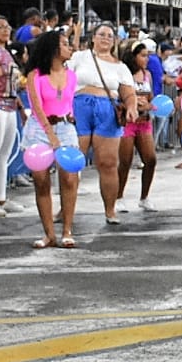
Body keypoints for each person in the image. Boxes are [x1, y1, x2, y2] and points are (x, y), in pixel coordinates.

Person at [71, 22, 138, 226]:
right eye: (101, 34)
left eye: (110, 35)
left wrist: (132, 107)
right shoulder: (79, 57)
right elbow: (63, 81)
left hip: (107, 111)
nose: (106, 38)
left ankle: (110, 210)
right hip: (79, 107)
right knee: (72, 162)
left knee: (108, 163)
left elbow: (128, 92)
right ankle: (65, 210)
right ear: (93, 38)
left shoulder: (120, 66)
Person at [21, 29, 79, 248]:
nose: (70, 47)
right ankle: (49, 233)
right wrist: (50, 134)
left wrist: (69, 124)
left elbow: (69, 102)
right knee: (41, 180)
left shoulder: (71, 75)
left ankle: (67, 229)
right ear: (54, 48)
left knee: (69, 178)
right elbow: (36, 107)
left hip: (65, 125)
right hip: (40, 128)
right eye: (65, 44)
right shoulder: (36, 75)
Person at [114, 40, 158, 214]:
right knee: (125, 161)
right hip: (128, 122)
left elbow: (152, 96)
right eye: (143, 55)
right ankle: (118, 197)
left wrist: (149, 105)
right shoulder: (123, 74)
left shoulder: (147, 74)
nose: (146, 59)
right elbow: (116, 97)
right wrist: (130, 105)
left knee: (151, 159)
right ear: (133, 57)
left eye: (147, 55)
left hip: (144, 121)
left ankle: (144, 197)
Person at [0, 15, 24, 217]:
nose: (6, 30)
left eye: (8, 26)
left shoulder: (8, 53)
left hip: (10, 105)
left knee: (4, 154)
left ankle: (0, 197)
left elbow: (13, 82)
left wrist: (19, 105)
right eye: (0, 27)